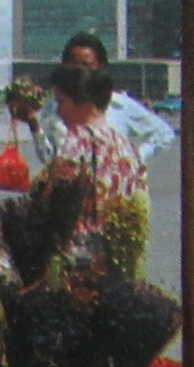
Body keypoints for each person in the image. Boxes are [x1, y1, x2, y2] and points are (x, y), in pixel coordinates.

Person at [13, 31, 175, 168]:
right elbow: (50, 160)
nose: (80, 73)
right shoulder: (56, 106)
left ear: (101, 68)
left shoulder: (118, 104)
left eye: (86, 65)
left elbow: (164, 133)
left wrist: (134, 158)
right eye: (74, 66)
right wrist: (34, 125)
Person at [34, 63, 146, 248]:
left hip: (79, 257)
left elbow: (48, 204)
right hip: (118, 255)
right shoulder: (130, 149)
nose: (58, 112)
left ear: (84, 103)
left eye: (61, 102)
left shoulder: (75, 144)